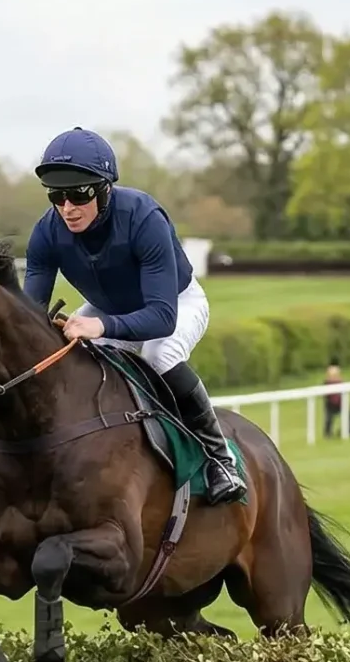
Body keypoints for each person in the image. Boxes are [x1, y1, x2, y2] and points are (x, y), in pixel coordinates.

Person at [24, 127, 244, 504]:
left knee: (159, 356)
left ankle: (218, 459)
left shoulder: (144, 218)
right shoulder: (47, 231)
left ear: (106, 189)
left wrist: (100, 325)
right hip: (108, 309)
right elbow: (30, 314)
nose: (68, 209)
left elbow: (161, 318)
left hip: (176, 302)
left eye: (79, 194)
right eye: (57, 196)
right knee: (64, 356)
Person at [322, 363, 346, 439]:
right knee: (328, 418)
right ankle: (328, 433)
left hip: (340, 403)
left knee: (346, 416)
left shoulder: (341, 383)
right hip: (330, 404)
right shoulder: (326, 383)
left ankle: (345, 430)